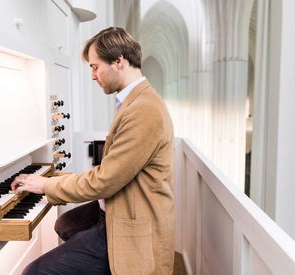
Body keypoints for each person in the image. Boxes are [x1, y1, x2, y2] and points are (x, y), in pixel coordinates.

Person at [11, 27, 175, 274]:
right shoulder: (134, 100)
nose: (93, 76)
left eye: (95, 67)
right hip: (113, 206)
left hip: (129, 221)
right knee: (65, 224)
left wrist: (45, 186)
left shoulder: (144, 109)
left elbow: (106, 180)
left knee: (33, 272)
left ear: (119, 61)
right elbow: (110, 171)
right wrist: (51, 180)